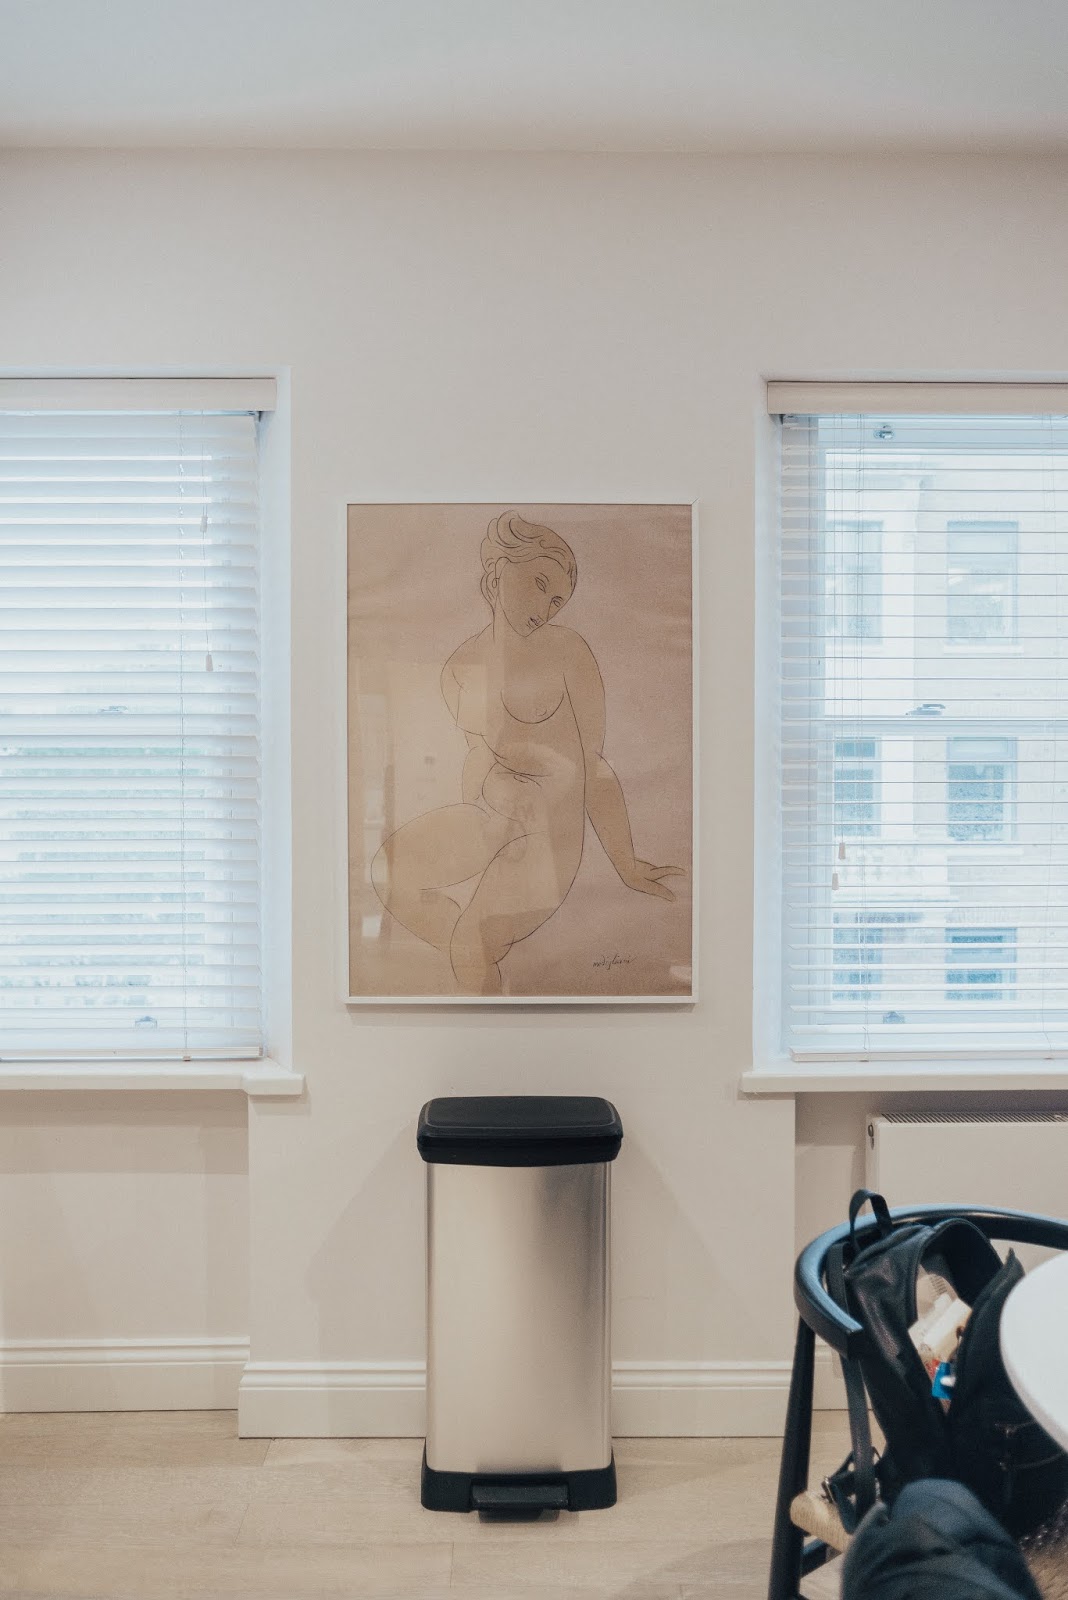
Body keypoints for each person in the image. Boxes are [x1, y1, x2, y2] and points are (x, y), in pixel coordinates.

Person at [371, 511, 682, 994]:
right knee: (389, 871)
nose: (548, 608)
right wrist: (485, 806)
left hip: (551, 838)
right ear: (500, 570)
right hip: (494, 818)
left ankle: (474, 962)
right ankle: (471, 959)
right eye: (540, 584)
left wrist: (625, 862)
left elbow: (594, 768)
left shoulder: (568, 652)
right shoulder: (459, 667)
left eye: (558, 600)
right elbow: (478, 757)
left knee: (473, 943)